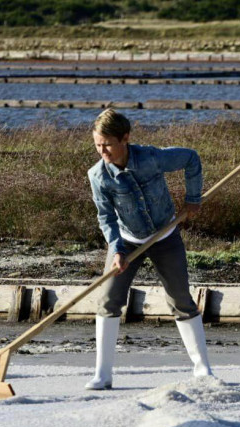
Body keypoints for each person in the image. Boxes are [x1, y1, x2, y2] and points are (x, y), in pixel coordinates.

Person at [85, 108, 212, 390]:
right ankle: (102, 375)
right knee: (108, 300)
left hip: (165, 234)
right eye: (97, 144)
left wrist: (193, 199)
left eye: (107, 144)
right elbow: (105, 217)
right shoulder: (98, 176)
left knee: (180, 298)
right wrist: (117, 249)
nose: (102, 150)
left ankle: (202, 368)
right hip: (128, 241)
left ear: (125, 138)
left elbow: (191, 158)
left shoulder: (151, 158)